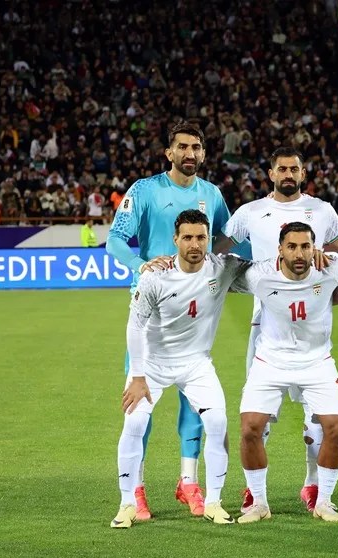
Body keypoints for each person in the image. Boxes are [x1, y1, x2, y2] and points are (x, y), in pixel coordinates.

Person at [217, 147, 338, 514]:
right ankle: (254, 493)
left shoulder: (322, 210)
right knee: (257, 420)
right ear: (271, 173)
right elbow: (222, 252)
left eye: (294, 168)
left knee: (319, 419)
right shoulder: (249, 212)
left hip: (313, 315)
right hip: (265, 324)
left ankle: (313, 485)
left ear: (303, 172)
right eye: (282, 168)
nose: (288, 173)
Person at [106, 121, 230, 520]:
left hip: (194, 309)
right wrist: (142, 266)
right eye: (182, 147)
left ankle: (188, 482)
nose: (189, 153)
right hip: (150, 310)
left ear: (204, 153)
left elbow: (227, 238)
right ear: (169, 152)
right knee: (139, 405)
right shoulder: (143, 190)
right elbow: (114, 240)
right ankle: (136, 490)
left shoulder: (212, 194)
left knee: (195, 406)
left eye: (196, 147)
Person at [111, 210, 245, 528]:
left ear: (208, 239)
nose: (194, 244)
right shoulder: (155, 276)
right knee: (135, 423)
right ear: (176, 240)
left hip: (196, 364)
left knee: (216, 420)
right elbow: (135, 326)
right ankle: (126, 503)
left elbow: (268, 270)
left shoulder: (224, 267)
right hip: (153, 365)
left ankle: (213, 501)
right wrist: (139, 376)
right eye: (187, 237)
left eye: (201, 237)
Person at [232, 222, 338, 523]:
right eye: (292, 246)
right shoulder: (260, 274)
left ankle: (324, 501)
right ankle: (259, 502)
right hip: (270, 361)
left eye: (305, 246)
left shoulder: (332, 268)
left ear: (314, 248)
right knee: (250, 428)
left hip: (317, 362)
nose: (299, 253)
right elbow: (223, 274)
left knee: (334, 427)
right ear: (280, 249)